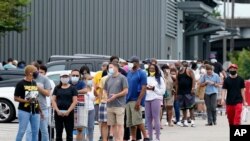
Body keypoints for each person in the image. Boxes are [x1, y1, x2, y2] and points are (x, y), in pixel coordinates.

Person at [26, 63, 52, 141]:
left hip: (43, 108)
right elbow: (26, 95)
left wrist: (37, 87)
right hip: (30, 108)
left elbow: (48, 93)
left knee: (44, 130)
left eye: (33, 70)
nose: (31, 73)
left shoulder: (44, 79)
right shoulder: (27, 78)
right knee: (29, 131)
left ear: (37, 69)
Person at [14, 65, 41, 141]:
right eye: (36, 71)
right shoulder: (20, 83)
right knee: (22, 131)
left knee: (35, 132)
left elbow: (36, 97)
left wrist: (40, 110)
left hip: (35, 111)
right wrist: (27, 101)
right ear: (30, 73)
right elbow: (16, 98)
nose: (37, 72)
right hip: (24, 110)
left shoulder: (34, 82)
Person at [126, 56, 150, 141]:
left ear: (136, 63)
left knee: (138, 120)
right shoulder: (129, 72)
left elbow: (144, 88)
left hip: (136, 99)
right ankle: (134, 138)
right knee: (131, 122)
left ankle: (146, 137)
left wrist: (139, 100)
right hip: (128, 100)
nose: (130, 64)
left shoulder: (141, 73)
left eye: (131, 62)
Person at [104, 63, 128, 141]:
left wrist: (116, 95)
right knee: (113, 125)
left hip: (119, 105)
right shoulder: (108, 78)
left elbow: (125, 91)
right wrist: (105, 97)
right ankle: (116, 139)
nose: (109, 69)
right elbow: (105, 90)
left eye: (111, 67)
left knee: (120, 125)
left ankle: (120, 139)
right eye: (109, 68)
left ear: (116, 68)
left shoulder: (122, 78)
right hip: (110, 105)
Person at [51, 72, 78, 141]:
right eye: (63, 77)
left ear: (68, 77)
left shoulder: (72, 88)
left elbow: (75, 101)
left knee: (69, 134)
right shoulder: (57, 88)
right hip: (58, 112)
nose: (65, 78)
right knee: (58, 133)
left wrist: (68, 111)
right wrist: (57, 110)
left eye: (66, 77)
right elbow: (53, 100)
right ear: (60, 78)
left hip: (69, 113)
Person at [145, 64, 165, 141]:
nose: (151, 70)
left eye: (153, 69)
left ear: (156, 70)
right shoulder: (146, 78)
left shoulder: (159, 79)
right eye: (150, 69)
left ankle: (157, 137)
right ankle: (150, 137)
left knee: (156, 118)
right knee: (148, 119)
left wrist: (154, 88)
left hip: (156, 98)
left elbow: (162, 92)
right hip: (147, 99)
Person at [176, 61, 196, 127]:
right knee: (183, 107)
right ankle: (185, 121)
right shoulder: (178, 72)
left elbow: (193, 79)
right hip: (181, 92)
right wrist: (176, 92)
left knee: (191, 107)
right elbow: (176, 83)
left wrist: (193, 88)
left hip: (189, 92)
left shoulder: (188, 70)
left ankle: (192, 121)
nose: (177, 66)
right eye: (176, 65)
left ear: (181, 64)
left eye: (178, 65)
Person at [38, 65, 56, 140]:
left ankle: (50, 138)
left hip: (48, 105)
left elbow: (52, 93)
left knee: (48, 124)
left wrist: (52, 103)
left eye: (42, 72)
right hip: (40, 105)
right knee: (39, 125)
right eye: (39, 72)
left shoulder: (49, 81)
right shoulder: (37, 80)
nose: (40, 73)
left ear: (45, 73)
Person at [70, 69, 88, 140]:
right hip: (69, 107)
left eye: (77, 75)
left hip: (80, 107)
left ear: (79, 76)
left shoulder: (81, 83)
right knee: (69, 127)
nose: (75, 76)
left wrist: (75, 91)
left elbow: (85, 90)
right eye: (73, 75)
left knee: (80, 128)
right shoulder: (67, 82)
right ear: (70, 75)